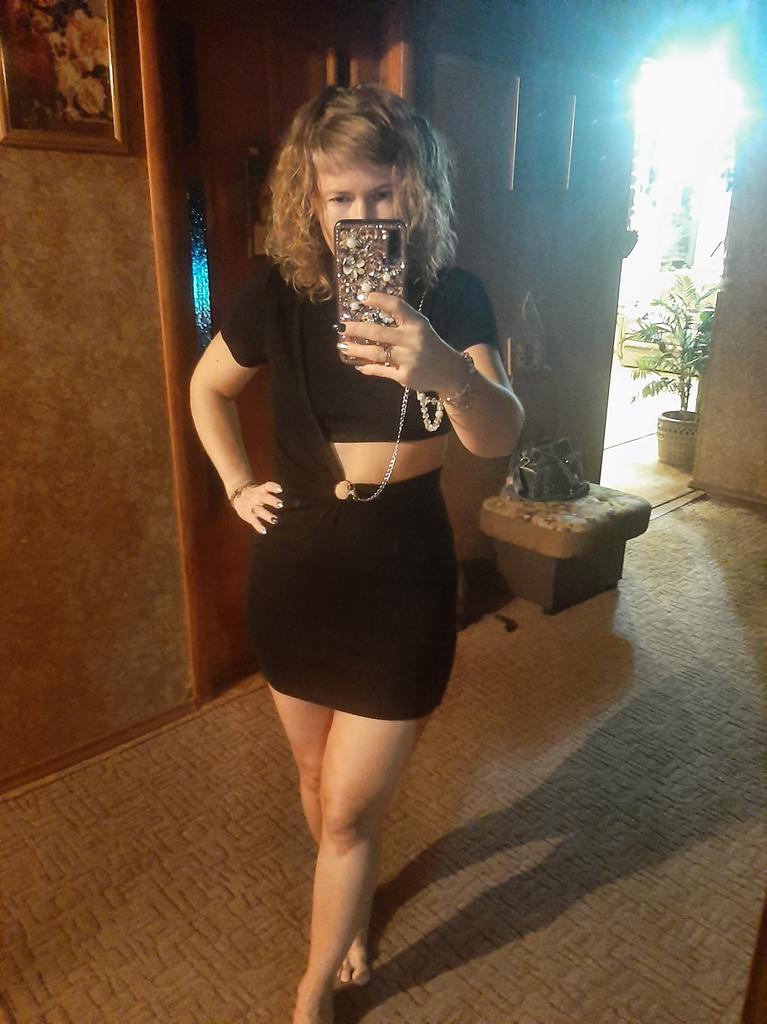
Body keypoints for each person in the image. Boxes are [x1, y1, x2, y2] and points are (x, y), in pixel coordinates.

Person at [189, 83, 524, 1024]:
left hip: (400, 582)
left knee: (346, 809)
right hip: (294, 577)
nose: (360, 215)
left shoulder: (452, 295)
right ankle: (348, 912)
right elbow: (207, 389)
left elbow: (499, 438)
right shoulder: (276, 293)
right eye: (340, 197)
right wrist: (235, 483)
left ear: (415, 190)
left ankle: (313, 986)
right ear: (309, 198)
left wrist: (446, 371)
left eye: (381, 193)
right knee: (313, 781)